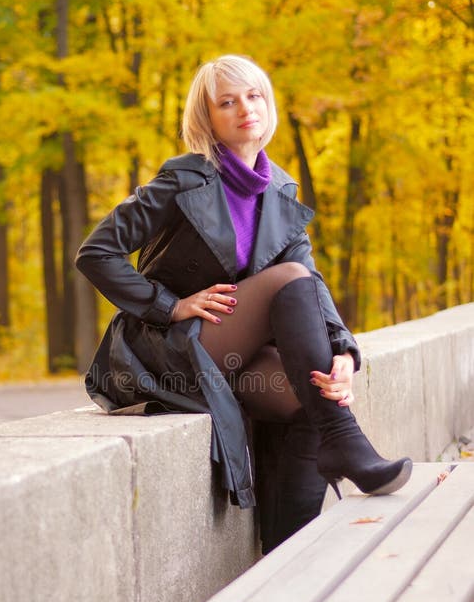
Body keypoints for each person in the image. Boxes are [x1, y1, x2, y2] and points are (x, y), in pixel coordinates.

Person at [75, 55, 412, 553]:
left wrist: (344, 352)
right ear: (207, 119)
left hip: (232, 357)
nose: (244, 109)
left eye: (253, 95)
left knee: (308, 396)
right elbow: (96, 252)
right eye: (226, 102)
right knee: (289, 279)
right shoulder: (182, 181)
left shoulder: (279, 189)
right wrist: (169, 305)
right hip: (171, 349)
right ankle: (345, 440)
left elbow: (311, 283)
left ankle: (287, 552)